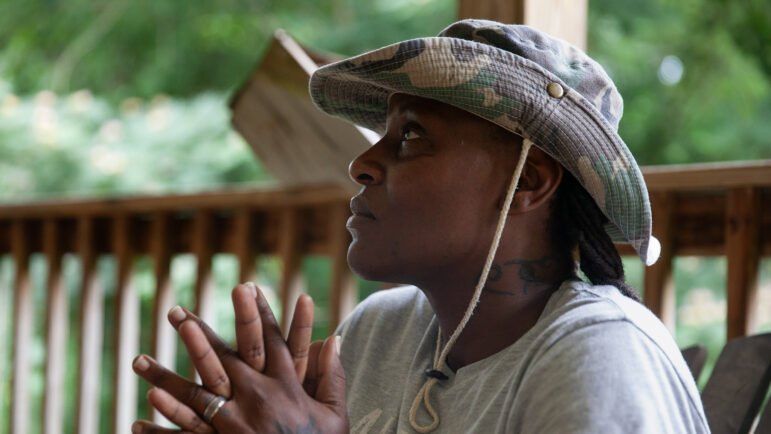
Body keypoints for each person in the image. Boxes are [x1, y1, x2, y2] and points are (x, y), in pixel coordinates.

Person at [131, 19, 710, 433]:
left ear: (529, 181)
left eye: (410, 136)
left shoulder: (600, 359)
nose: (360, 163)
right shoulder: (380, 333)